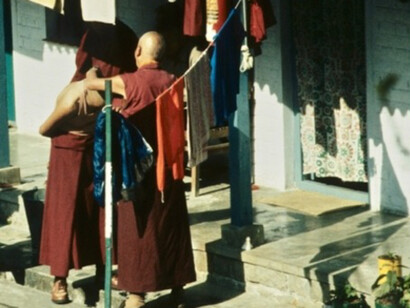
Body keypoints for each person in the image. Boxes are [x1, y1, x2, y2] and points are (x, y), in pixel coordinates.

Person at [85, 31, 196, 308]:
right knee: (170, 227)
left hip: (137, 169)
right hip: (168, 168)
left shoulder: (131, 82)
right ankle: (178, 287)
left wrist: (91, 71)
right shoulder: (173, 80)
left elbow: (95, 86)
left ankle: (135, 295)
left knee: (139, 233)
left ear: (138, 51)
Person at [38, 20, 137, 304]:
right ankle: (60, 278)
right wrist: (76, 129)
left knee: (103, 205)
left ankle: (104, 268)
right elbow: (45, 129)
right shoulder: (76, 93)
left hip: (99, 145)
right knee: (66, 211)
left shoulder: (118, 85)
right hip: (68, 148)